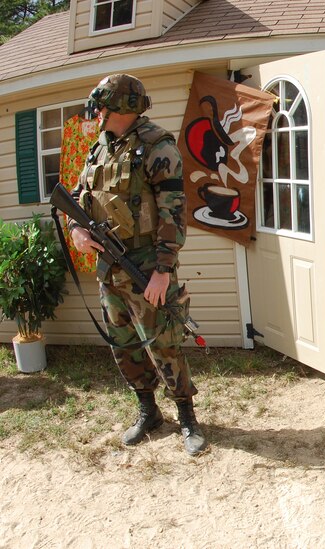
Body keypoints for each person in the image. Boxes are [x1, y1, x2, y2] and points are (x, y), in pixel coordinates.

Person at [68, 74, 208, 456]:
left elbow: (174, 213)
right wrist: (77, 229)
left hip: (146, 266)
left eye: (103, 105)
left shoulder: (157, 146)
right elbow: (78, 199)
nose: (97, 112)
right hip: (108, 268)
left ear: (122, 108)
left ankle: (186, 417)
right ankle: (148, 411)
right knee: (123, 343)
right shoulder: (99, 149)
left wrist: (163, 271)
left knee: (163, 343)